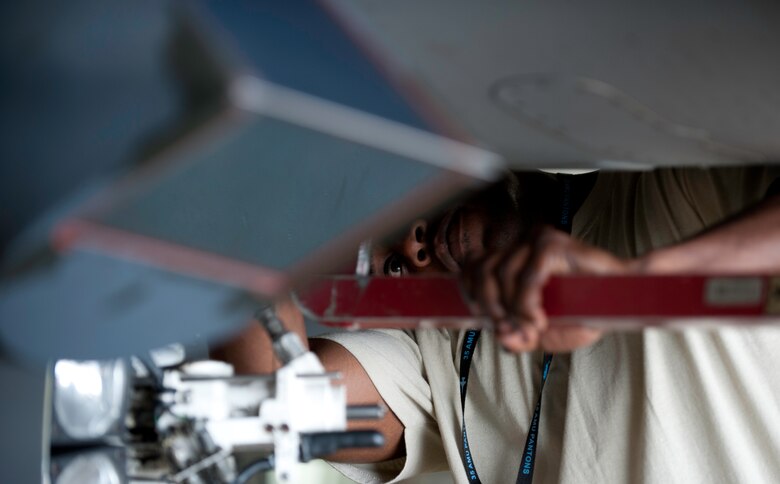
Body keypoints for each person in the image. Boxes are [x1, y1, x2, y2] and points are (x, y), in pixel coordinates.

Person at [214, 165, 780, 483]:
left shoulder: (662, 192)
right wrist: (236, 225)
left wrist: (636, 283)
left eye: (393, 208)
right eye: (388, 268)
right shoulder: (432, 356)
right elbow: (276, 404)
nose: (414, 245)